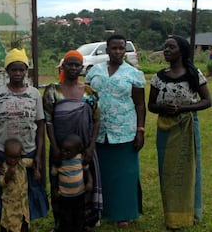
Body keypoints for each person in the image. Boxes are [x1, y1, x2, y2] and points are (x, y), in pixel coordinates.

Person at [148, 35, 211, 230]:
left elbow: (207, 100)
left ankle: (189, 213)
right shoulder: (158, 77)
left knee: (188, 171)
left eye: (171, 47)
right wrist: (163, 107)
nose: (166, 50)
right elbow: (151, 105)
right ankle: (171, 216)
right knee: (168, 173)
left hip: (187, 127)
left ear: (181, 51)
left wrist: (183, 109)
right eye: (165, 46)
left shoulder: (193, 74)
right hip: (165, 129)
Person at [85, 34, 146, 227]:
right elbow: (87, 99)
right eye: (114, 48)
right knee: (101, 174)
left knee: (125, 174)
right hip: (98, 132)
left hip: (124, 132)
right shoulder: (94, 71)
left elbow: (140, 104)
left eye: (121, 48)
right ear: (107, 49)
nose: (118, 52)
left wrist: (140, 130)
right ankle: (101, 211)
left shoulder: (133, 74)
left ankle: (124, 212)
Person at [0, 48, 49, 223]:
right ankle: (6, 224)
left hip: (28, 153)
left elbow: (40, 126)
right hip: (5, 154)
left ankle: (24, 224)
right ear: (7, 71)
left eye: (21, 69)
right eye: (13, 69)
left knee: (28, 193)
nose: (18, 73)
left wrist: (39, 157)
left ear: (26, 71)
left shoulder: (34, 94)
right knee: (4, 191)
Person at [43, 50, 102, 231]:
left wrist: (91, 146)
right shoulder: (52, 91)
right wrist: (54, 147)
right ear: (63, 66)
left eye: (77, 65)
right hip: (60, 147)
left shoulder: (89, 92)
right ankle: (60, 224)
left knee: (83, 183)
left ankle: (83, 222)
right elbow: (49, 121)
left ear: (82, 68)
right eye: (70, 64)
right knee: (58, 186)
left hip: (83, 148)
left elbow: (96, 120)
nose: (73, 68)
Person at [50, 134, 93, 232]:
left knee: (79, 215)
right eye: (63, 150)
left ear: (77, 150)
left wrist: (90, 182)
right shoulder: (59, 161)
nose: (64, 153)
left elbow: (87, 171)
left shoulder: (80, 158)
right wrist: (54, 189)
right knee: (66, 216)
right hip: (65, 195)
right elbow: (53, 175)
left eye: (68, 151)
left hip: (79, 194)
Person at [0, 138, 40, 232]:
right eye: (10, 157)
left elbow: (34, 162)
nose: (13, 160)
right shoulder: (3, 167)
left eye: (16, 157)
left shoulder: (22, 163)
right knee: (7, 225)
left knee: (23, 225)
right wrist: (8, 175)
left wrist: (36, 170)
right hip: (10, 207)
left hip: (23, 207)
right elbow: (0, 182)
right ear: (5, 155)